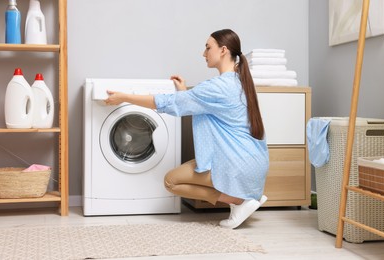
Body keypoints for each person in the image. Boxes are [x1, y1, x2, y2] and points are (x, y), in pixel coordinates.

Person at [105, 29, 269, 229]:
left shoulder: (217, 87)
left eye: (208, 47)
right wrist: (184, 92)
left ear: (223, 50)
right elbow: (202, 106)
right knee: (182, 176)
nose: (204, 53)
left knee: (171, 181)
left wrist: (124, 97)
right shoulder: (240, 82)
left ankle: (238, 201)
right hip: (253, 164)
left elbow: (167, 102)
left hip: (237, 166)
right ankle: (240, 201)